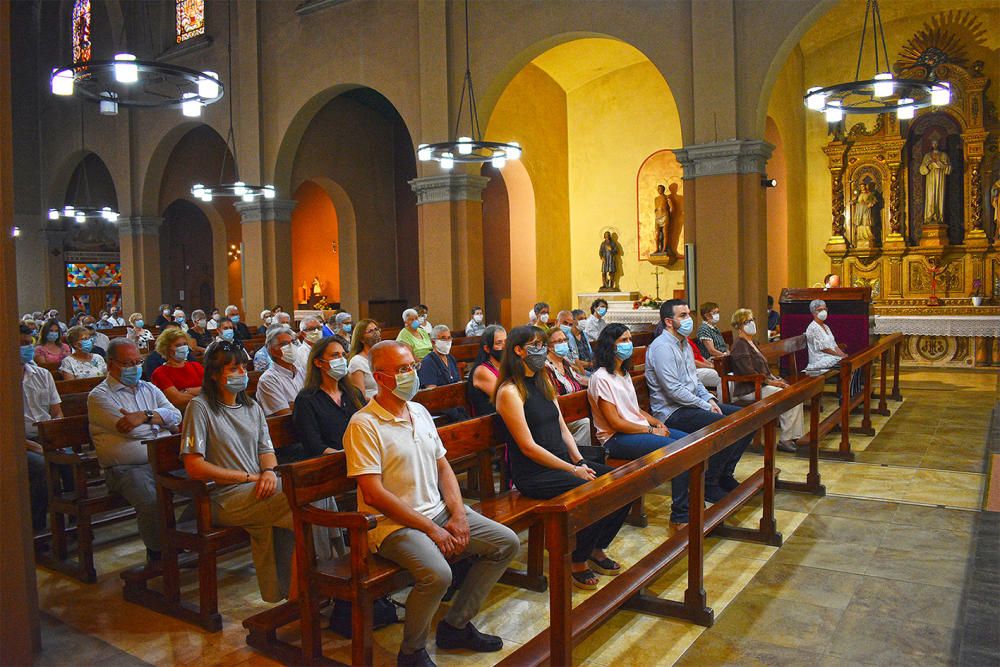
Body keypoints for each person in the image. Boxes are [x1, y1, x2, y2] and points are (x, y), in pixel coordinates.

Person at [344, 341, 518, 666]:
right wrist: (433, 531)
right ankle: (411, 652)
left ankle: (456, 625)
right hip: (392, 525)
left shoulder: (420, 411)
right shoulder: (363, 424)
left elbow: (443, 466)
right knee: (437, 574)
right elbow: (373, 494)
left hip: (436, 511)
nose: (413, 374)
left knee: (505, 543)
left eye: (413, 365)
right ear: (380, 378)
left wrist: (458, 514)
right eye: (403, 369)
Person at [181, 341, 336, 603]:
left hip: (259, 486)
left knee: (318, 494)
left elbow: (266, 449)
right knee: (305, 500)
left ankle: (311, 586)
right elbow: (194, 465)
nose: (241, 373)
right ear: (215, 374)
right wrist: (249, 477)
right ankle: (314, 589)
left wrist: (267, 472)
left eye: (243, 366)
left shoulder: (251, 407)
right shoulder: (200, 407)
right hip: (224, 495)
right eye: (233, 368)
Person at [495, 326, 629, 591]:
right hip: (534, 473)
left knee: (623, 483)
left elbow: (562, 427)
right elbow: (528, 446)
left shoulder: (543, 381)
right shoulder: (510, 391)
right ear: (518, 350)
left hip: (563, 464)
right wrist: (572, 469)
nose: (541, 350)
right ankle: (577, 559)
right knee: (594, 492)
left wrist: (579, 461)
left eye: (543, 344)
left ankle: (595, 547)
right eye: (534, 345)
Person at [645, 299, 753, 531]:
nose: (688, 319)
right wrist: (704, 406)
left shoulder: (683, 343)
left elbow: (694, 382)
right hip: (672, 411)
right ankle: (710, 482)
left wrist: (710, 400)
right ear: (668, 321)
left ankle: (723, 474)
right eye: (682, 315)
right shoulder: (662, 347)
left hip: (691, 404)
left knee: (746, 419)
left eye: (688, 314)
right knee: (725, 425)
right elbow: (673, 391)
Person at [89, 338, 182, 561]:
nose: (135, 367)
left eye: (137, 361)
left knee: (205, 483)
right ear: (111, 364)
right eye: (127, 363)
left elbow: (176, 415)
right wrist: (160, 424)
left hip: (163, 459)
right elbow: (132, 432)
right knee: (151, 500)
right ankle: (160, 554)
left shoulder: (149, 388)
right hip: (127, 468)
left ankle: (186, 539)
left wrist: (145, 416)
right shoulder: (99, 396)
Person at [588, 323, 688, 460]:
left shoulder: (623, 373)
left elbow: (634, 409)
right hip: (615, 438)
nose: (628, 344)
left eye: (630, 339)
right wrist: (652, 430)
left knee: (689, 441)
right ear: (610, 345)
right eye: (623, 340)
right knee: (677, 449)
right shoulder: (601, 378)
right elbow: (615, 423)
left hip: (636, 429)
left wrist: (657, 423)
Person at [729, 308, 803, 453]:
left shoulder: (753, 342)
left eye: (752, 320)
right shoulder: (740, 344)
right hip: (749, 389)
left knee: (796, 394)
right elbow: (748, 372)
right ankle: (785, 440)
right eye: (747, 321)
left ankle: (793, 436)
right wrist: (771, 382)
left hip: (761, 384)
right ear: (739, 326)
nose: (751, 323)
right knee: (788, 396)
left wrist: (776, 379)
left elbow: (764, 369)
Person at [20, 324, 66, 531]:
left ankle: (76, 522)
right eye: (20, 344)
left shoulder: (42, 375)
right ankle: (37, 529)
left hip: (46, 435)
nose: (26, 348)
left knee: (71, 459)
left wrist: (56, 437)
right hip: (20, 443)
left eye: (28, 343)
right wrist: (32, 445)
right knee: (40, 467)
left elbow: (56, 411)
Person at [292, 335, 364, 459]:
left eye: (343, 355)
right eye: (335, 355)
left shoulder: (353, 393)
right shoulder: (307, 399)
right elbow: (314, 445)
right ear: (318, 362)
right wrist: (347, 456)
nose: (341, 360)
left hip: (361, 457)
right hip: (331, 463)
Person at [543, 326, 592, 451]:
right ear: (549, 346)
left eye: (565, 340)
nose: (564, 343)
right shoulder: (545, 367)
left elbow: (579, 379)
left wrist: (598, 382)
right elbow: (552, 394)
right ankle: (579, 456)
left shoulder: (564, 362)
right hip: (561, 414)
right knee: (584, 423)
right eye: (559, 341)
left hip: (576, 410)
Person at [255, 326, 305, 418]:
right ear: (272, 351)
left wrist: (293, 405)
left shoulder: (302, 371)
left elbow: (319, 403)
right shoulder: (268, 380)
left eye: (293, 342)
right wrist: (308, 404)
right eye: (284, 344)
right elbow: (284, 414)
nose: (291, 346)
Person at [150, 328, 203, 410]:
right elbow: (178, 400)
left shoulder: (195, 366)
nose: (183, 348)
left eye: (185, 344)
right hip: (180, 416)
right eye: (178, 345)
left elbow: (213, 389)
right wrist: (204, 395)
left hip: (203, 411)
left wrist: (186, 391)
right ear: (167, 349)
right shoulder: (160, 373)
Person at [466, 325, 505, 417]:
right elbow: (504, 398)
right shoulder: (482, 371)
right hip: (490, 422)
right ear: (487, 348)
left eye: (506, 342)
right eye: (499, 343)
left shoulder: (504, 366)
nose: (504, 346)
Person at [804, 299, 848, 372]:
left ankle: (853, 383)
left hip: (831, 357)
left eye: (825, 309)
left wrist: (843, 355)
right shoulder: (813, 328)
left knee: (851, 362)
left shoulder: (826, 327)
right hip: (820, 360)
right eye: (820, 310)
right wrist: (840, 356)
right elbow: (824, 349)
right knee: (848, 366)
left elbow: (834, 345)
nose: (823, 312)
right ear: (813, 312)